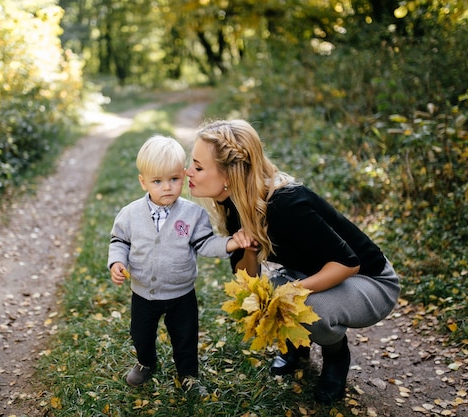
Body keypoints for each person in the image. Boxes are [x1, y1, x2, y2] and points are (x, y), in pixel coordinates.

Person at [185, 119, 400, 404]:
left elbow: (348, 263)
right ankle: (297, 345)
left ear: (230, 174)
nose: (188, 172)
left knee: (306, 304)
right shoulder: (234, 203)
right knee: (258, 297)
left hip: (370, 280)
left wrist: (288, 294)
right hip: (313, 272)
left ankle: (336, 354)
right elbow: (244, 279)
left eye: (198, 167)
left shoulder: (286, 204)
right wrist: (248, 248)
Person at [108, 135, 241, 394]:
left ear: (183, 175)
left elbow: (205, 244)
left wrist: (230, 244)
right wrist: (116, 261)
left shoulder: (193, 215)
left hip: (181, 294)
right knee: (141, 334)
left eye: (174, 179)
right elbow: (119, 241)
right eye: (157, 181)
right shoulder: (130, 214)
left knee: (185, 336)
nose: (166, 187)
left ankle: (188, 375)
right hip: (143, 292)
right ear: (143, 181)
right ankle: (146, 363)